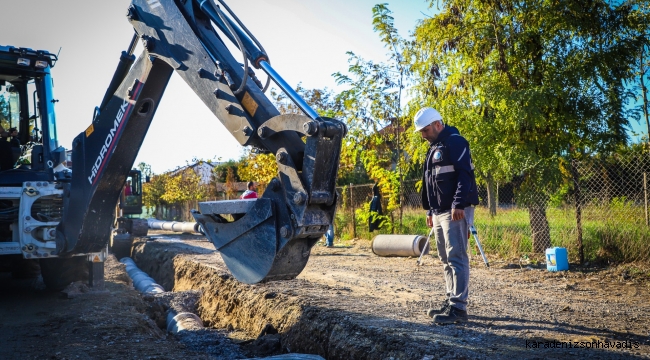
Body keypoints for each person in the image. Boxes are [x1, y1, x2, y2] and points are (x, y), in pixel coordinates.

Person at [415, 107, 479, 324]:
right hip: (440, 210)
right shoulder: (434, 147)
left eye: (425, 130)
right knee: (444, 258)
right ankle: (452, 300)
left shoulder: (456, 141)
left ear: (438, 124)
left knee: (456, 257)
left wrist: (459, 203)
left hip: (455, 209)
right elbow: (430, 183)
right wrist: (430, 210)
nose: (423, 135)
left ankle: (459, 310)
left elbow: (465, 175)